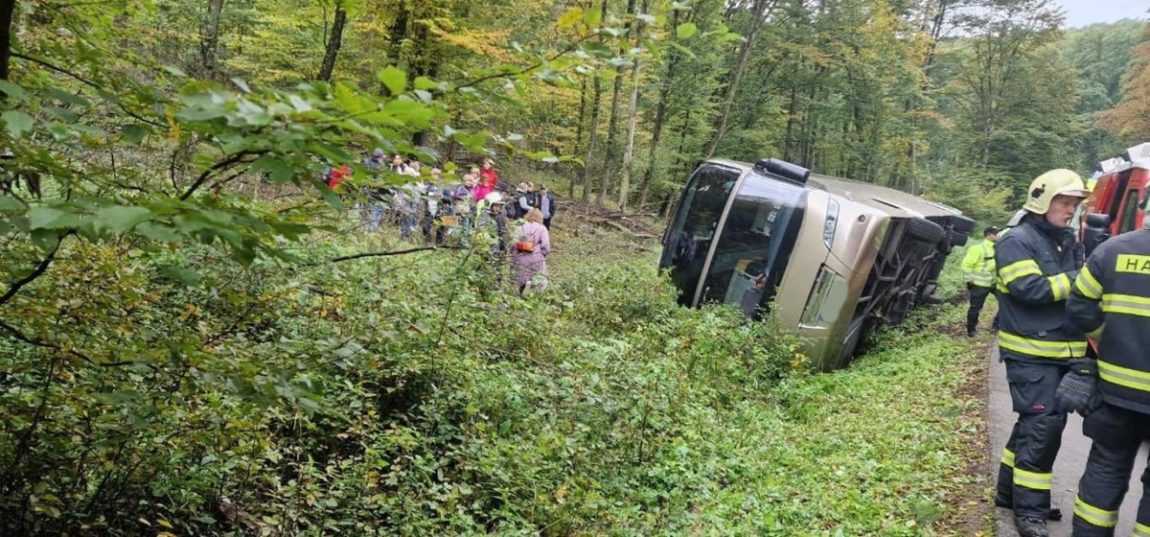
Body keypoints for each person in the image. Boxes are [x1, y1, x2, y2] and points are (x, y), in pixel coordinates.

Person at [993, 169, 1090, 537]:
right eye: (1065, 203)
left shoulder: (1066, 240)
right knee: (1043, 428)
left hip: (1059, 353)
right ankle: (1029, 512)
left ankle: (1008, 493)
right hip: (1030, 354)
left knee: (1032, 425)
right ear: (1042, 201)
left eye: (1075, 204)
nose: (1071, 211)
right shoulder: (1015, 240)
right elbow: (1029, 289)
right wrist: (1083, 277)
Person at [1063, 222, 1150, 537]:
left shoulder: (1113, 249)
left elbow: (1079, 307)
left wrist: (1107, 340)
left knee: (1106, 468)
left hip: (1115, 391)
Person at [963, 226, 1000, 336]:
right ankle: (971, 330)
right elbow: (966, 265)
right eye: (996, 234)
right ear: (989, 235)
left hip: (994, 283)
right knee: (975, 308)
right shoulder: (977, 249)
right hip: (979, 284)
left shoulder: (998, 247)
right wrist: (969, 281)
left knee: (1006, 302)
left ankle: (996, 326)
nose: (998, 236)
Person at [511, 208, 551, 295]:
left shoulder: (520, 227)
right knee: (536, 278)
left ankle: (520, 294)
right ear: (540, 218)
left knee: (520, 277)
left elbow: (513, 244)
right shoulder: (542, 228)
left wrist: (514, 255)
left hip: (520, 257)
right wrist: (542, 254)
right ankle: (531, 295)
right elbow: (546, 246)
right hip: (536, 258)